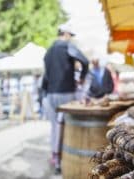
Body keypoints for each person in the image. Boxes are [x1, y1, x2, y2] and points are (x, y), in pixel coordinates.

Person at [42, 23, 89, 174]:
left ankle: (55, 157)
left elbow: (46, 76)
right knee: (66, 126)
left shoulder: (48, 52)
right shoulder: (67, 47)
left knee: (54, 126)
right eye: (70, 36)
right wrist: (81, 78)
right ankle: (63, 160)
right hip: (65, 92)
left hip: (50, 94)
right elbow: (85, 61)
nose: (70, 39)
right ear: (66, 34)